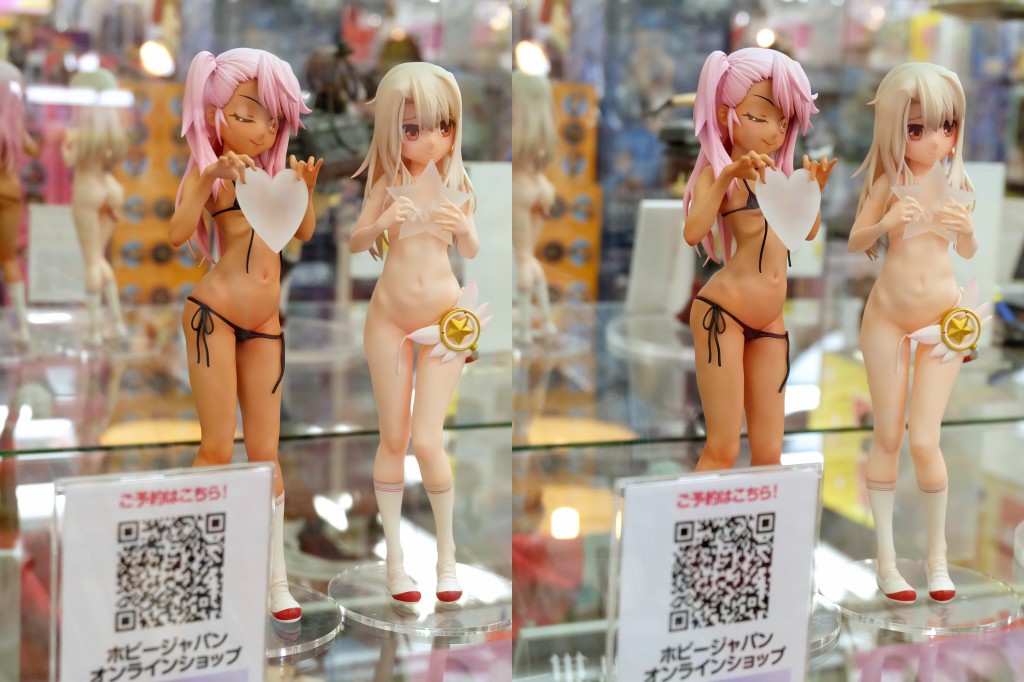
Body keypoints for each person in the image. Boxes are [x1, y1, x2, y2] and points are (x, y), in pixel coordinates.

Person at [168, 48, 321, 623]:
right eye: (249, 113)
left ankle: (275, 581)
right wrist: (208, 176)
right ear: (215, 114)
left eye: (274, 119)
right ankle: (188, 571)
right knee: (216, 446)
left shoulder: (273, 177)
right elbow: (176, 232)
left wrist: (305, 187)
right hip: (214, 315)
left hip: (266, 327)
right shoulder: (215, 175)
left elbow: (302, 232)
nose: (265, 129)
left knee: (266, 455)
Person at [847, 63, 981, 604]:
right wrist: (885, 224)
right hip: (887, 320)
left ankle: (937, 559)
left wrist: (967, 231)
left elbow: (967, 250)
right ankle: (886, 560)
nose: (935, 140)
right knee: (888, 436)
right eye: (917, 128)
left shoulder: (958, 186)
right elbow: (856, 240)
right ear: (893, 128)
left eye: (947, 126)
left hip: (943, 322)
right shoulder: (887, 184)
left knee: (925, 439)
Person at [349, 62, 481, 604]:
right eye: (413, 129)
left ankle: (448, 559)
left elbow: (471, 249)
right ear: (392, 131)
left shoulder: (457, 186)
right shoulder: (386, 185)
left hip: (445, 322)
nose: (431, 140)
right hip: (389, 321)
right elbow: (358, 242)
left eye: (443, 127)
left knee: (428, 440)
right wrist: (382, 223)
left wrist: (464, 228)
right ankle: (396, 564)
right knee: (394, 439)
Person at [682, 48, 835, 471]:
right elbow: (693, 232)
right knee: (723, 448)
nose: (775, 132)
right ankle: (696, 517)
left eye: (783, 122)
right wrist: (726, 177)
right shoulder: (719, 175)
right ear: (726, 114)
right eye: (760, 116)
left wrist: (814, 193)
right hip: (723, 313)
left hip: (771, 320)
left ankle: (764, 517)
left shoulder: (779, 178)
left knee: (770, 454)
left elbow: (806, 233)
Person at [63, 68, 129, 344]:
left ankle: (94, 330)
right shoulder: (112, 131)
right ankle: (117, 322)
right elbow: (114, 159)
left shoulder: (80, 131)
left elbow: (70, 160)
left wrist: (66, 145)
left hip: (87, 189)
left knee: (91, 260)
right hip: (111, 188)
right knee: (99, 258)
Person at [512, 71, 558, 345]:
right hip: (541, 185)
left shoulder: (517, 134)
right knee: (530, 258)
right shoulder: (542, 134)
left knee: (523, 259)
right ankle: (547, 322)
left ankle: (526, 330)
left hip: (520, 188)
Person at [0, 61, 39, 343]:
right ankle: (23, 328)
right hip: (10, 194)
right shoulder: (15, 125)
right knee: (8, 259)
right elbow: (33, 149)